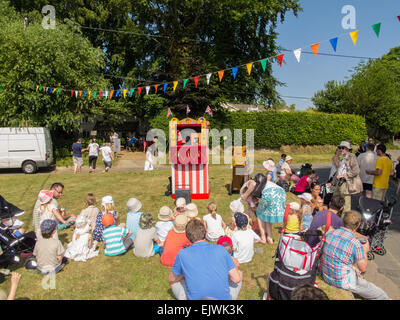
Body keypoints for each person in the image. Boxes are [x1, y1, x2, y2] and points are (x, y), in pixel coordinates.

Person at [320, 210, 389, 300]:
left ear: (343, 221)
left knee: (359, 277)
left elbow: (336, 258)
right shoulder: (355, 243)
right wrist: (364, 251)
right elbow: (363, 268)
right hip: (343, 281)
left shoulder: (330, 234)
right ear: (358, 225)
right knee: (381, 295)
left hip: (327, 276)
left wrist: (353, 268)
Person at [168, 219, 243, 300]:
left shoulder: (183, 254)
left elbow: (172, 278)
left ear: (187, 236)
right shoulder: (221, 249)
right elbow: (236, 279)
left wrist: (184, 274)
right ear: (205, 232)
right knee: (239, 273)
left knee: (175, 282)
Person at [335, 141, 363, 211]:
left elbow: (356, 171)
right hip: (339, 182)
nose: (341, 149)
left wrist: (344, 176)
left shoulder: (351, 157)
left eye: (343, 148)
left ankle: (345, 220)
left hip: (346, 183)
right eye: (340, 148)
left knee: (346, 204)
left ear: (347, 148)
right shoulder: (343, 158)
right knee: (336, 200)